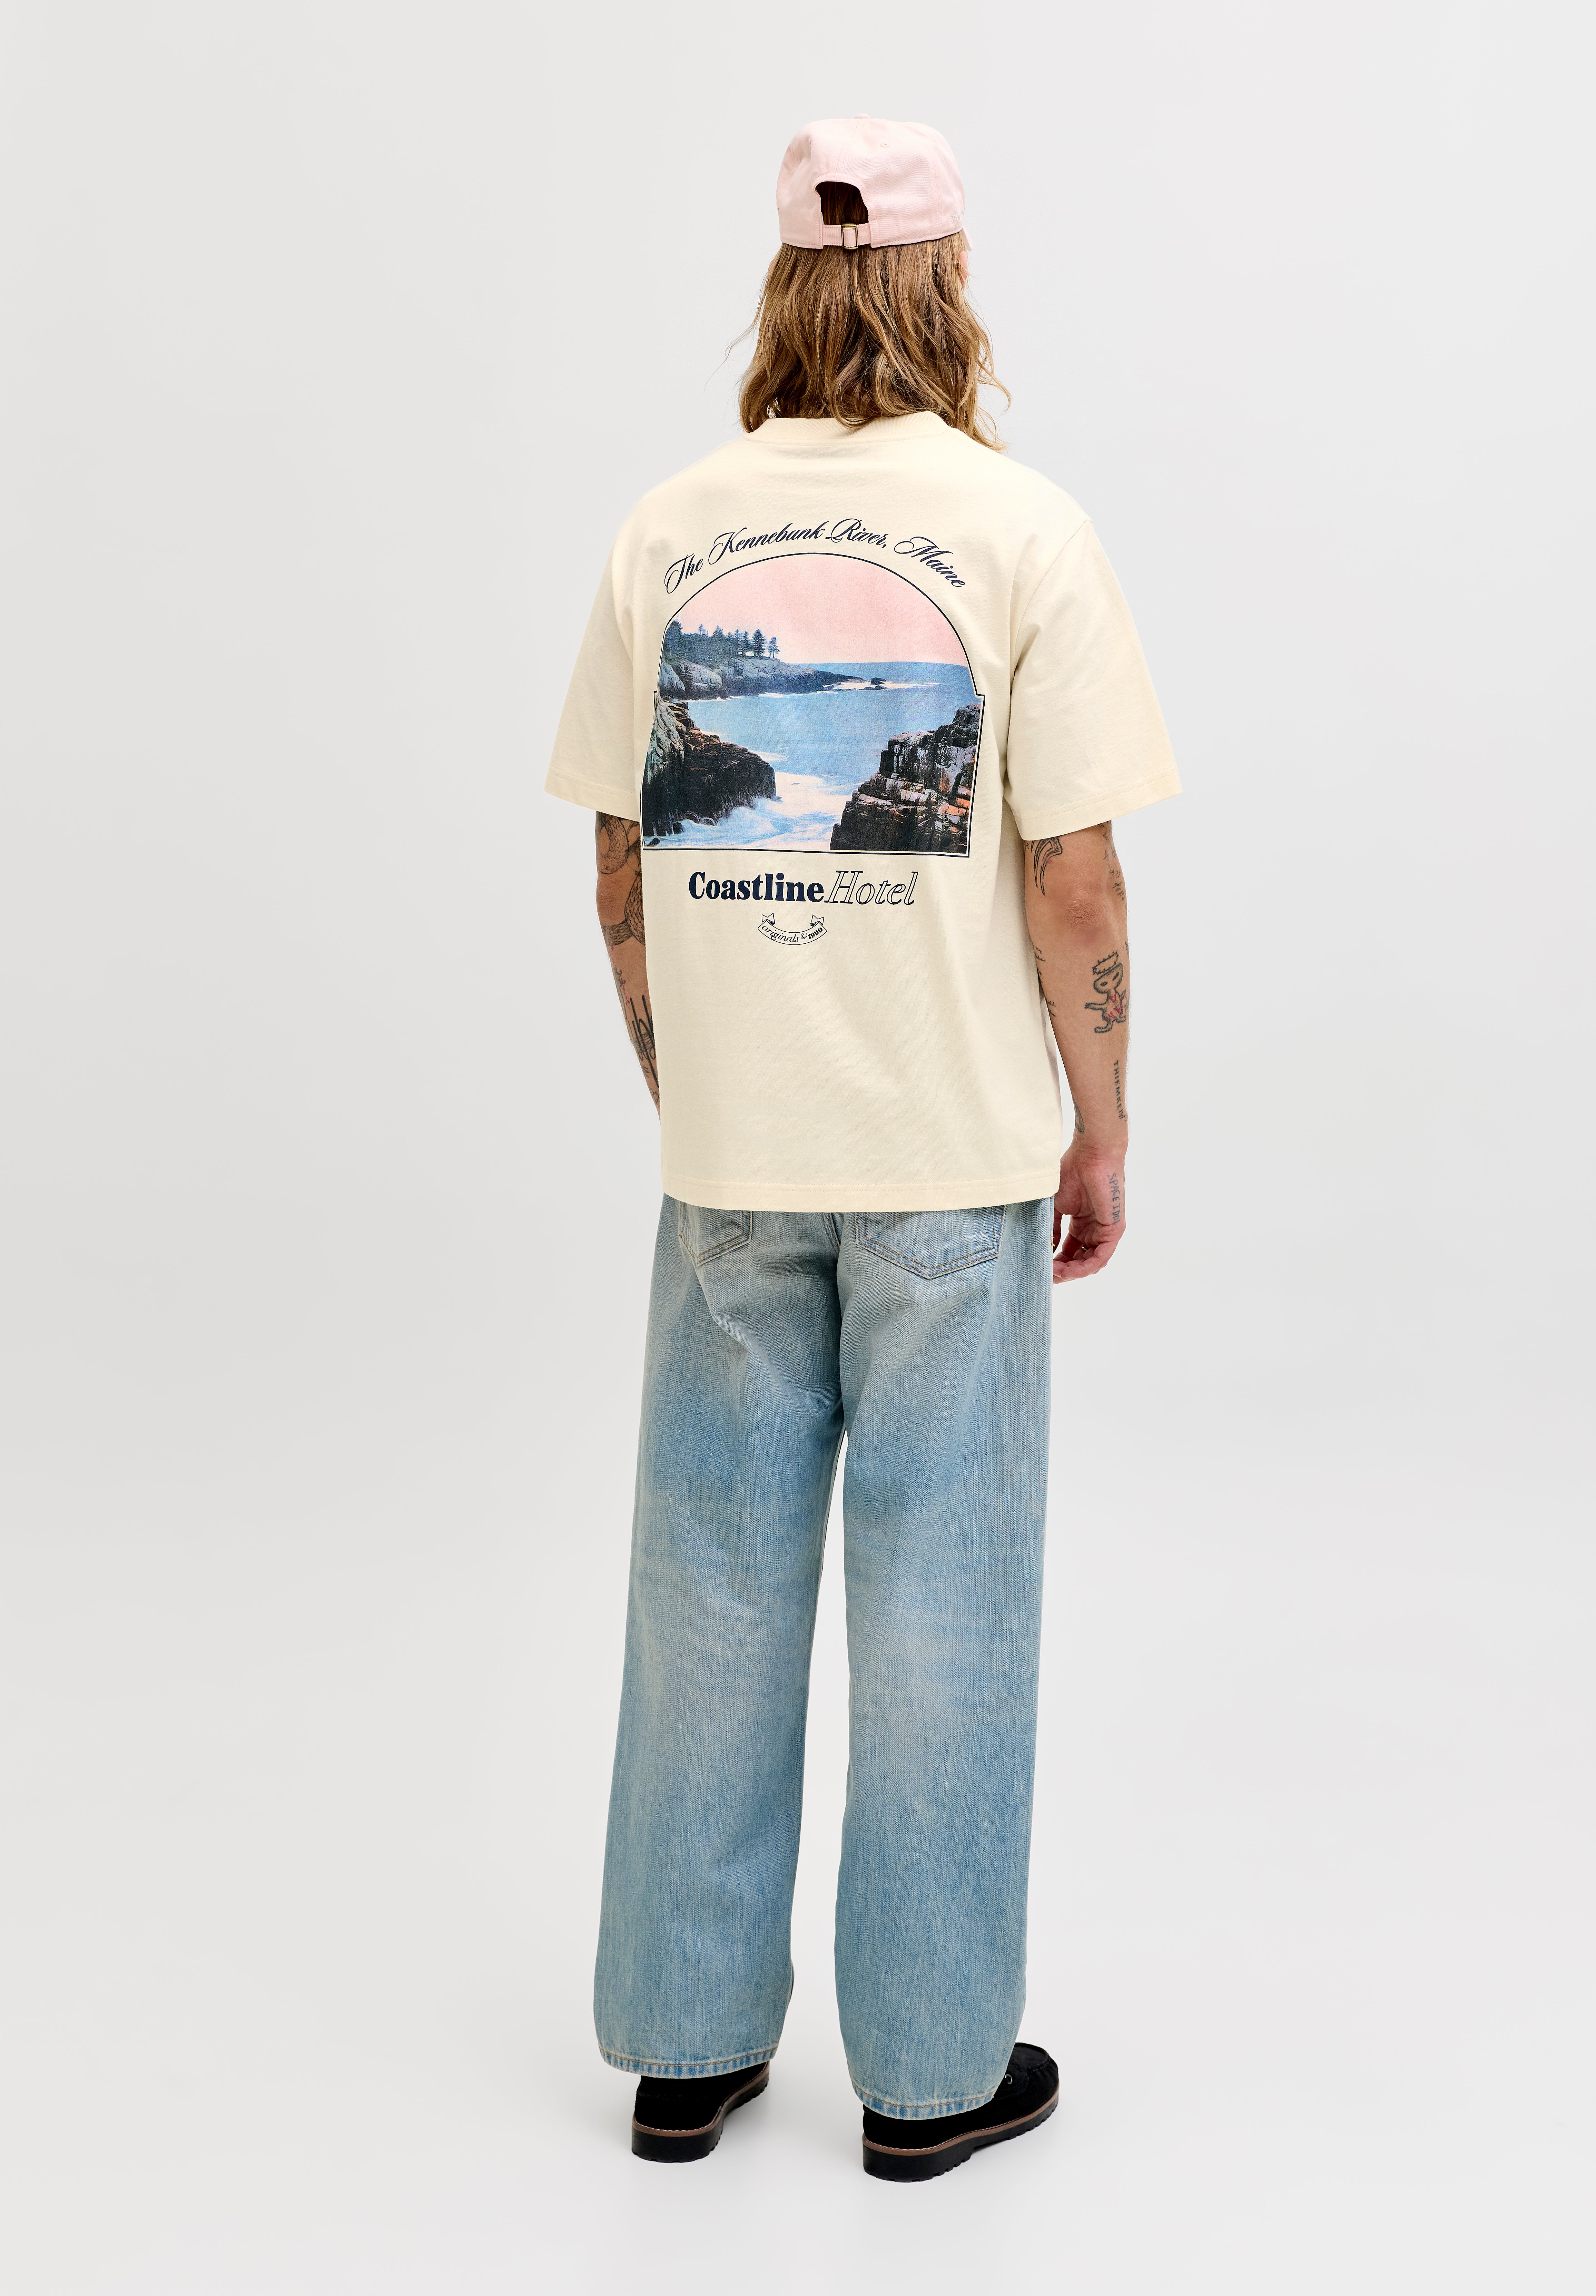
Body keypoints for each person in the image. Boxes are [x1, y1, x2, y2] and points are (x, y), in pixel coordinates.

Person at [545, 115, 1179, 2181]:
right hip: (952, 1163)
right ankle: (926, 2079)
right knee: (946, 1614)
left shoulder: (667, 528)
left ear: (785, 285)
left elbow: (623, 865)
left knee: (707, 1592)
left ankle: (684, 2050)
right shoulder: (1023, 528)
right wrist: (1101, 1129)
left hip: (733, 1167)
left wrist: (695, 1082)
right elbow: (1073, 881)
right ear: (949, 281)